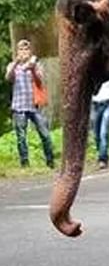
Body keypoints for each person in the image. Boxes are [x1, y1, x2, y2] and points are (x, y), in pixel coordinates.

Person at [5, 39, 55, 169]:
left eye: (26, 49)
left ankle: (50, 162)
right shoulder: (12, 65)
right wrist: (17, 62)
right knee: (21, 137)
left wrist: (32, 68)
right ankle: (25, 163)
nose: (24, 52)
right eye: (21, 49)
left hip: (34, 106)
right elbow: (8, 78)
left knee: (45, 134)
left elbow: (40, 80)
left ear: (30, 51)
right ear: (17, 51)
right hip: (19, 106)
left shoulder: (36, 65)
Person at [90, 77, 109, 169]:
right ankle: (101, 153)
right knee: (96, 134)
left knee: (104, 133)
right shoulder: (93, 71)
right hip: (96, 103)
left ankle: (102, 159)